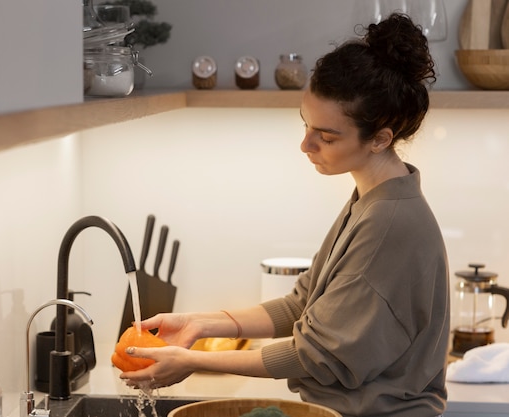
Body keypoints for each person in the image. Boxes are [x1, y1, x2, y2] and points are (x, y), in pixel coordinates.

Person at [120, 13, 450, 417]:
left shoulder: (391, 223)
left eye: (326, 136)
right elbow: (303, 306)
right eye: (307, 125)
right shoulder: (372, 200)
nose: (305, 144)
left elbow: (316, 353)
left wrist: (192, 361)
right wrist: (201, 324)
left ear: (380, 139)